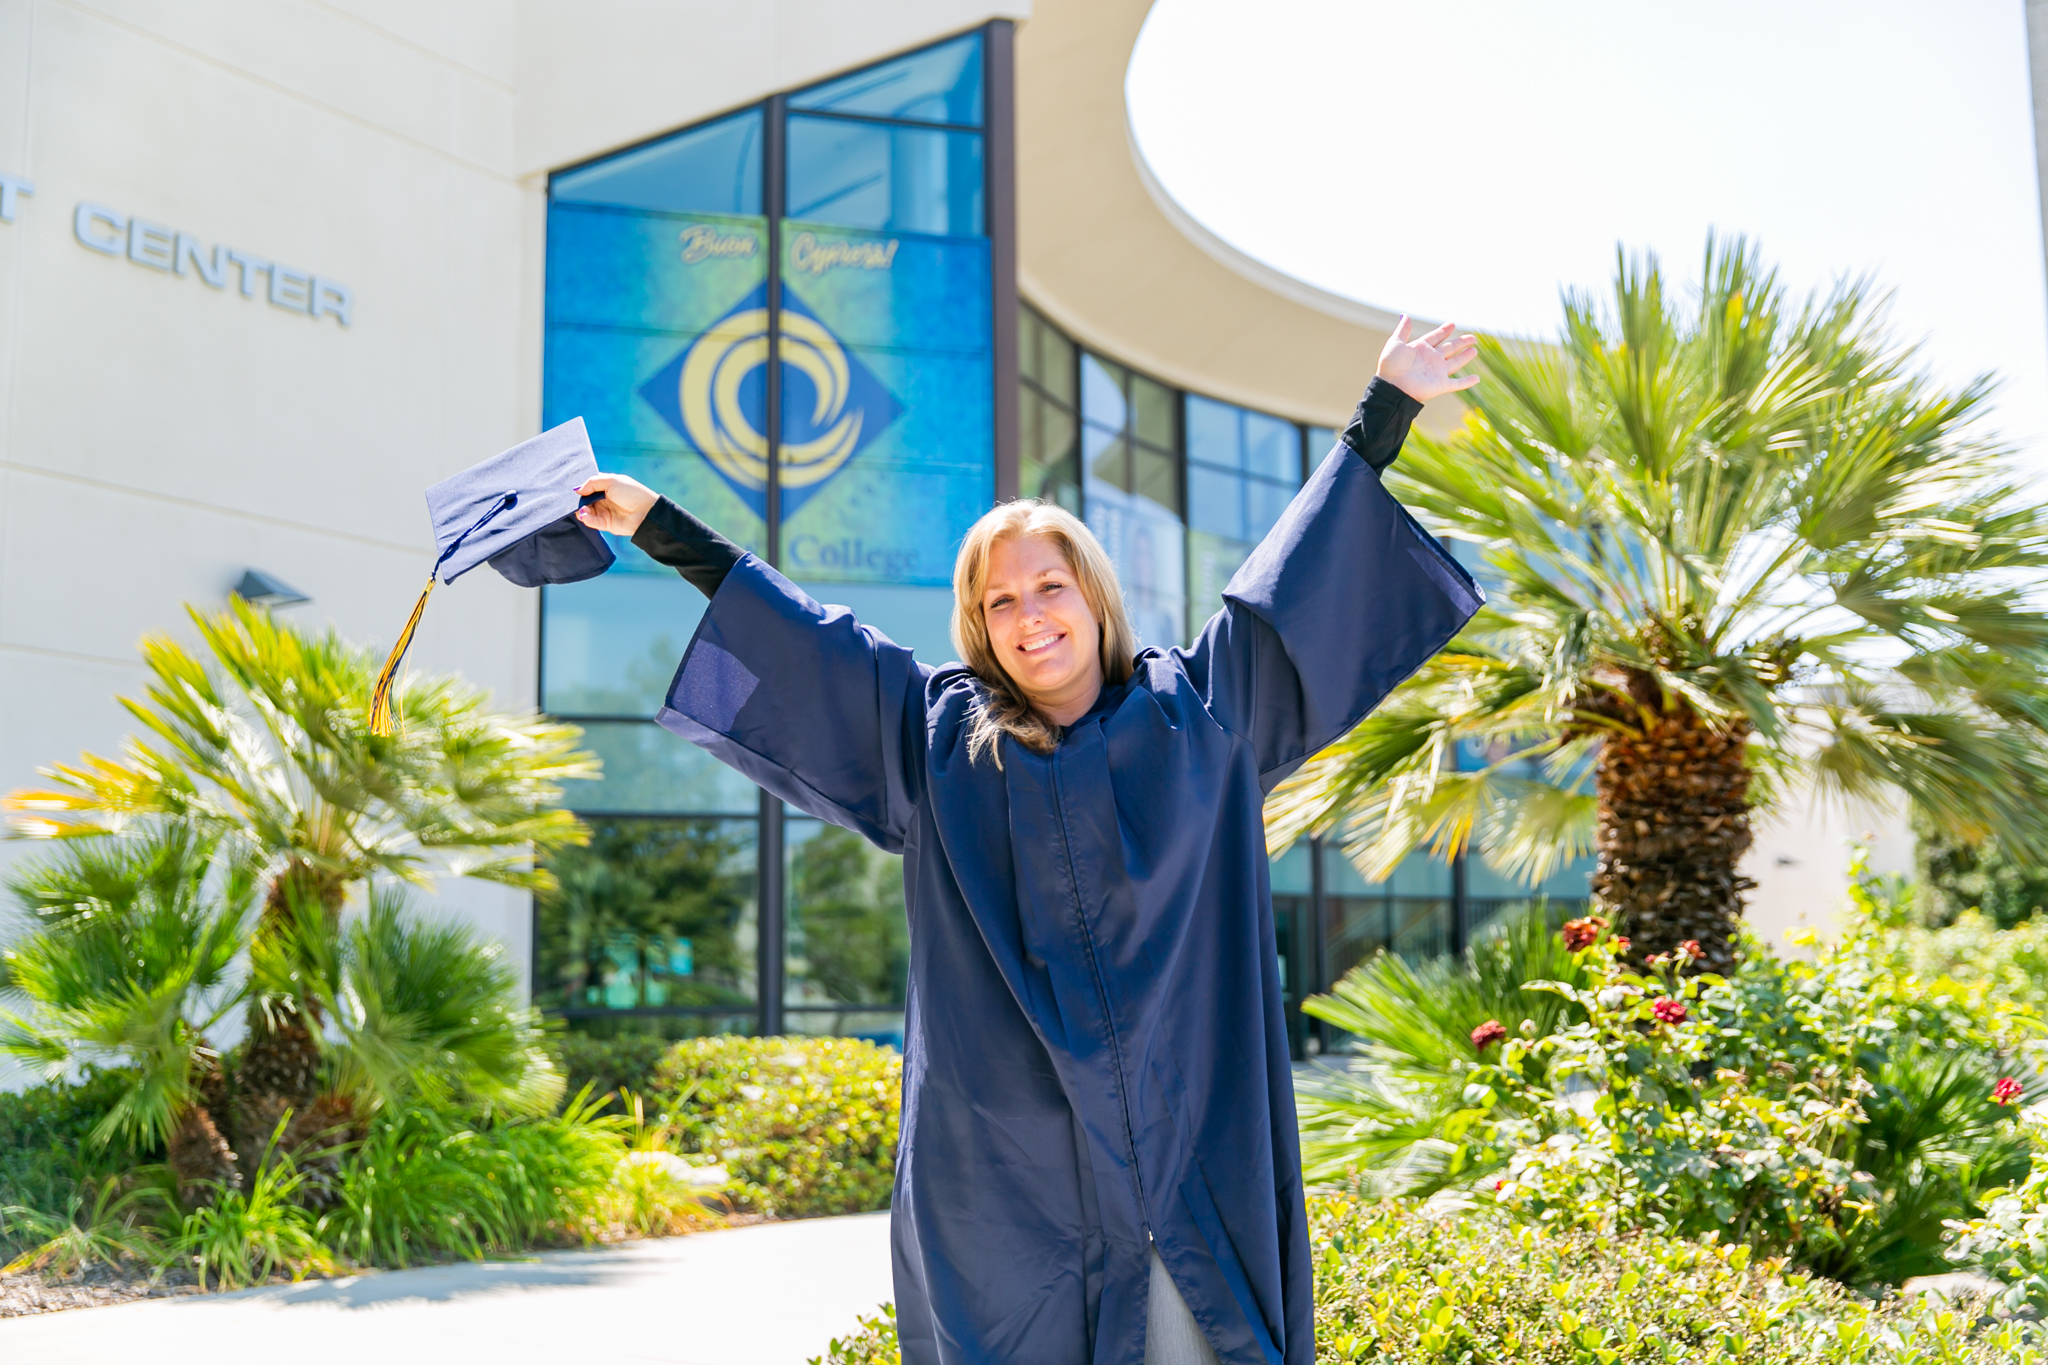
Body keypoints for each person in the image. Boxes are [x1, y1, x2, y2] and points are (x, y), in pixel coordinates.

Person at [574, 319, 1482, 1365]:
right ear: (977, 623)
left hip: (1189, 1168)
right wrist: (658, 527)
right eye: (998, 600)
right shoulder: (939, 748)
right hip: (1015, 1194)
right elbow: (808, 640)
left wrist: (1383, 411)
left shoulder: (1202, 717)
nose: (1028, 616)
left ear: (1092, 596)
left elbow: (1289, 592)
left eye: (1048, 586)